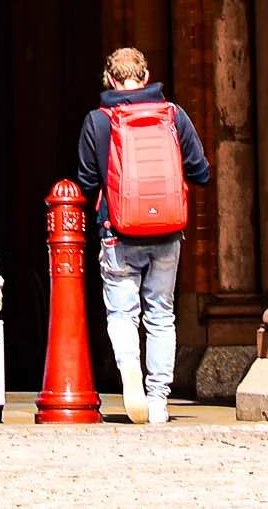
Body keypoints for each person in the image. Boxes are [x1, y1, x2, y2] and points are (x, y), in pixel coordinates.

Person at [75, 47, 210, 427]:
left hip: (117, 230)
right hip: (168, 232)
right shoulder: (174, 116)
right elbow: (201, 172)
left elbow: (85, 183)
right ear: (146, 75)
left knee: (122, 313)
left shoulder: (97, 122)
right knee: (161, 314)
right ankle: (158, 398)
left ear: (110, 79)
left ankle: (129, 375)